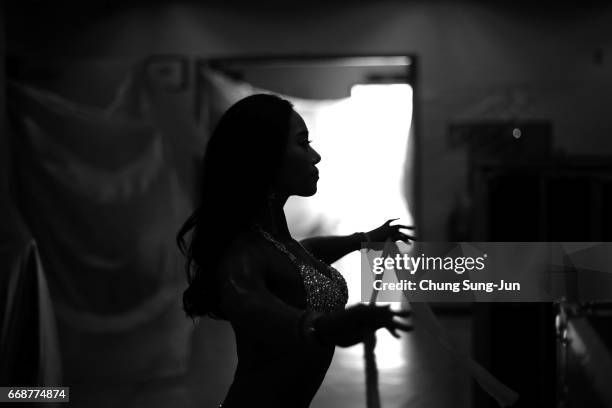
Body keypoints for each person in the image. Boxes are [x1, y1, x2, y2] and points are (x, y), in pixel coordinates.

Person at [177, 94, 415, 408]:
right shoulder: (242, 256)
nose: (315, 156)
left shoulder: (276, 242)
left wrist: (366, 238)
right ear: (266, 157)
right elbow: (257, 309)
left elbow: (305, 255)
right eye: (302, 143)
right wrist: (328, 327)